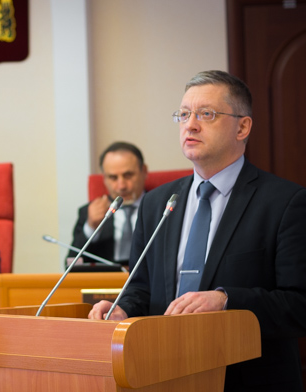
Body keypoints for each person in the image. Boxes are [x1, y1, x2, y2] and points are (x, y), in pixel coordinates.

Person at [88, 70, 306, 391]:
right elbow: (142, 287)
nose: (190, 125)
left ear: (242, 127)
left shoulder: (286, 202)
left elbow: (299, 305)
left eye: (206, 114)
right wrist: (123, 308)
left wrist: (226, 300)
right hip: (161, 374)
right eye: (184, 114)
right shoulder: (157, 203)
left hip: (246, 379)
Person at [68, 142, 148, 265]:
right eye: (113, 178)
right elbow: (72, 264)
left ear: (144, 171)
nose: (121, 186)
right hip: (108, 277)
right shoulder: (88, 213)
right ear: (104, 179)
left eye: (128, 175)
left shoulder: (163, 208)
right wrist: (91, 227)